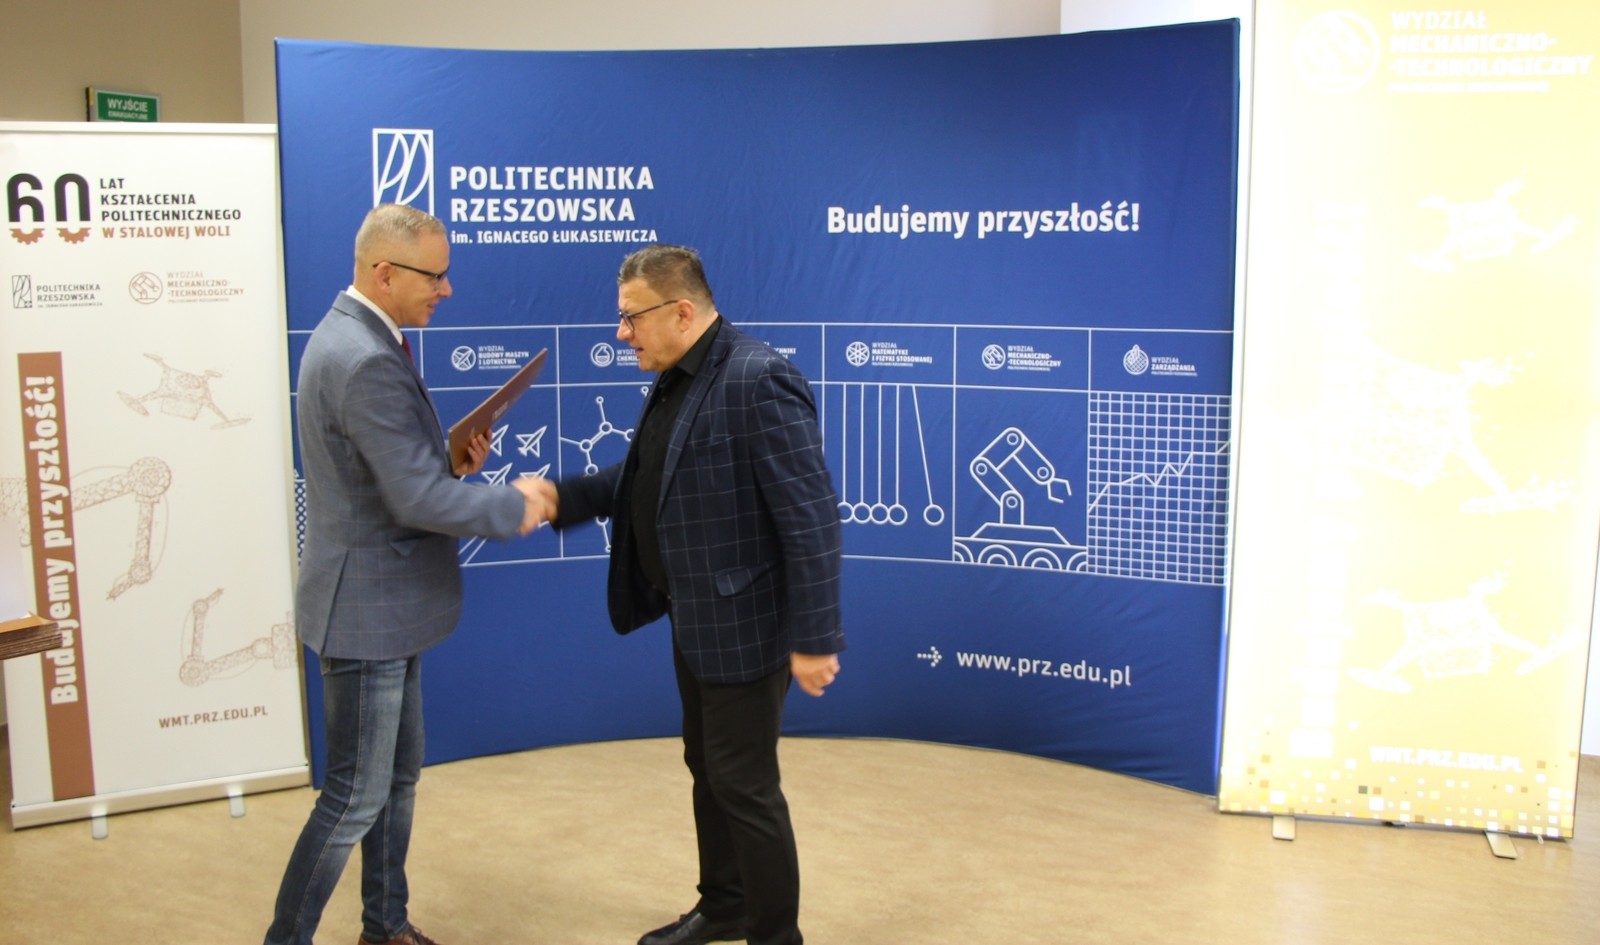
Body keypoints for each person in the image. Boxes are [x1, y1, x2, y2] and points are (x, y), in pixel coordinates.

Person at [532, 244, 844, 945]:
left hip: (748, 626)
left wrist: (815, 635)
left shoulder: (759, 379)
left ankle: (775, 935)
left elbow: (812, 517)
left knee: (745, 785)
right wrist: (559, 498)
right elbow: (643, 476)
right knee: (709, 769)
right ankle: (726, 905)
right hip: (697, 617)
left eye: (630, 317)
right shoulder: (678, 375)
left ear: (680, 311)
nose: (622, 334)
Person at [264, 203, 545, 945]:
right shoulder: (362, 357)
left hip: (388, 604)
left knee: (394, 780)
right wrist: (515, 503)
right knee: (354, 797)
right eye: (435, 275)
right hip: (367, 611)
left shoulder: (362, 338)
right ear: (384, 272)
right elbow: (415, 499)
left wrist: (450, 460)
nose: (447, 289)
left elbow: (386, 477)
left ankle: (384, 926)